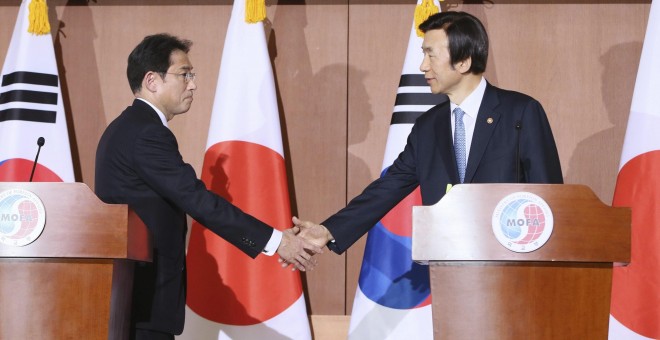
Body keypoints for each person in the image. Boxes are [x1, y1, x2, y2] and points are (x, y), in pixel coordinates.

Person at [94, 33, 321, 340]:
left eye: (193, 75)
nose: (193, 84)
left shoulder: (127, 128)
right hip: (142, 303)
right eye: (184, 74)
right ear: (152, 80)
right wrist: (276, 241)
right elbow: (196, 199)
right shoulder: (146, 134)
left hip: (133, 300)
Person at [292, 11, 563, 253]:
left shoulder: (521, 112)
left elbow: (551, 197)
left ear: (464, 61)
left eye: (431, 54)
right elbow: (389, 186)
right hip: (450, 268)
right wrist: (328, 230)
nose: (422, 66)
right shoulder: (428, 127)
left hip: (516, 265)